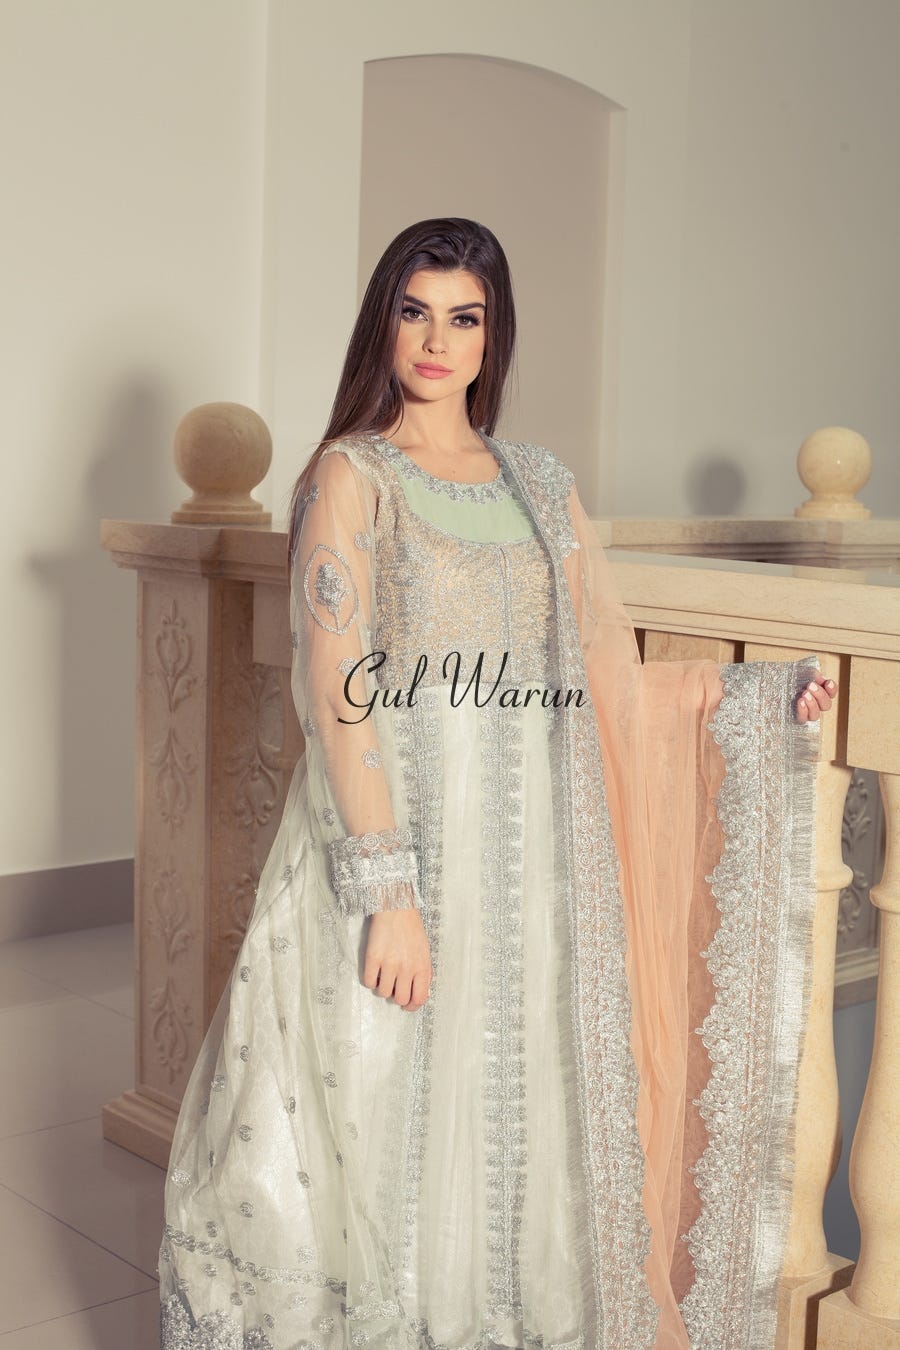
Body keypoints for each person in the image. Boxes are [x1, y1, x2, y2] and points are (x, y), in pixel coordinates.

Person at [159, 218, 835, 1350]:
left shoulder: (541, 484)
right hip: (399, 849)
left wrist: (751, 696)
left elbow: (606, 676)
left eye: (463, 318)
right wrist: (389, 892)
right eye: (414, 312)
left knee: (519, 1110)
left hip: (529, 871)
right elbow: (337, 687)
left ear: (492, 335)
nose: (437, 341)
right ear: (384, 324)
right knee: (385, 1105)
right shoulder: (352, 476)